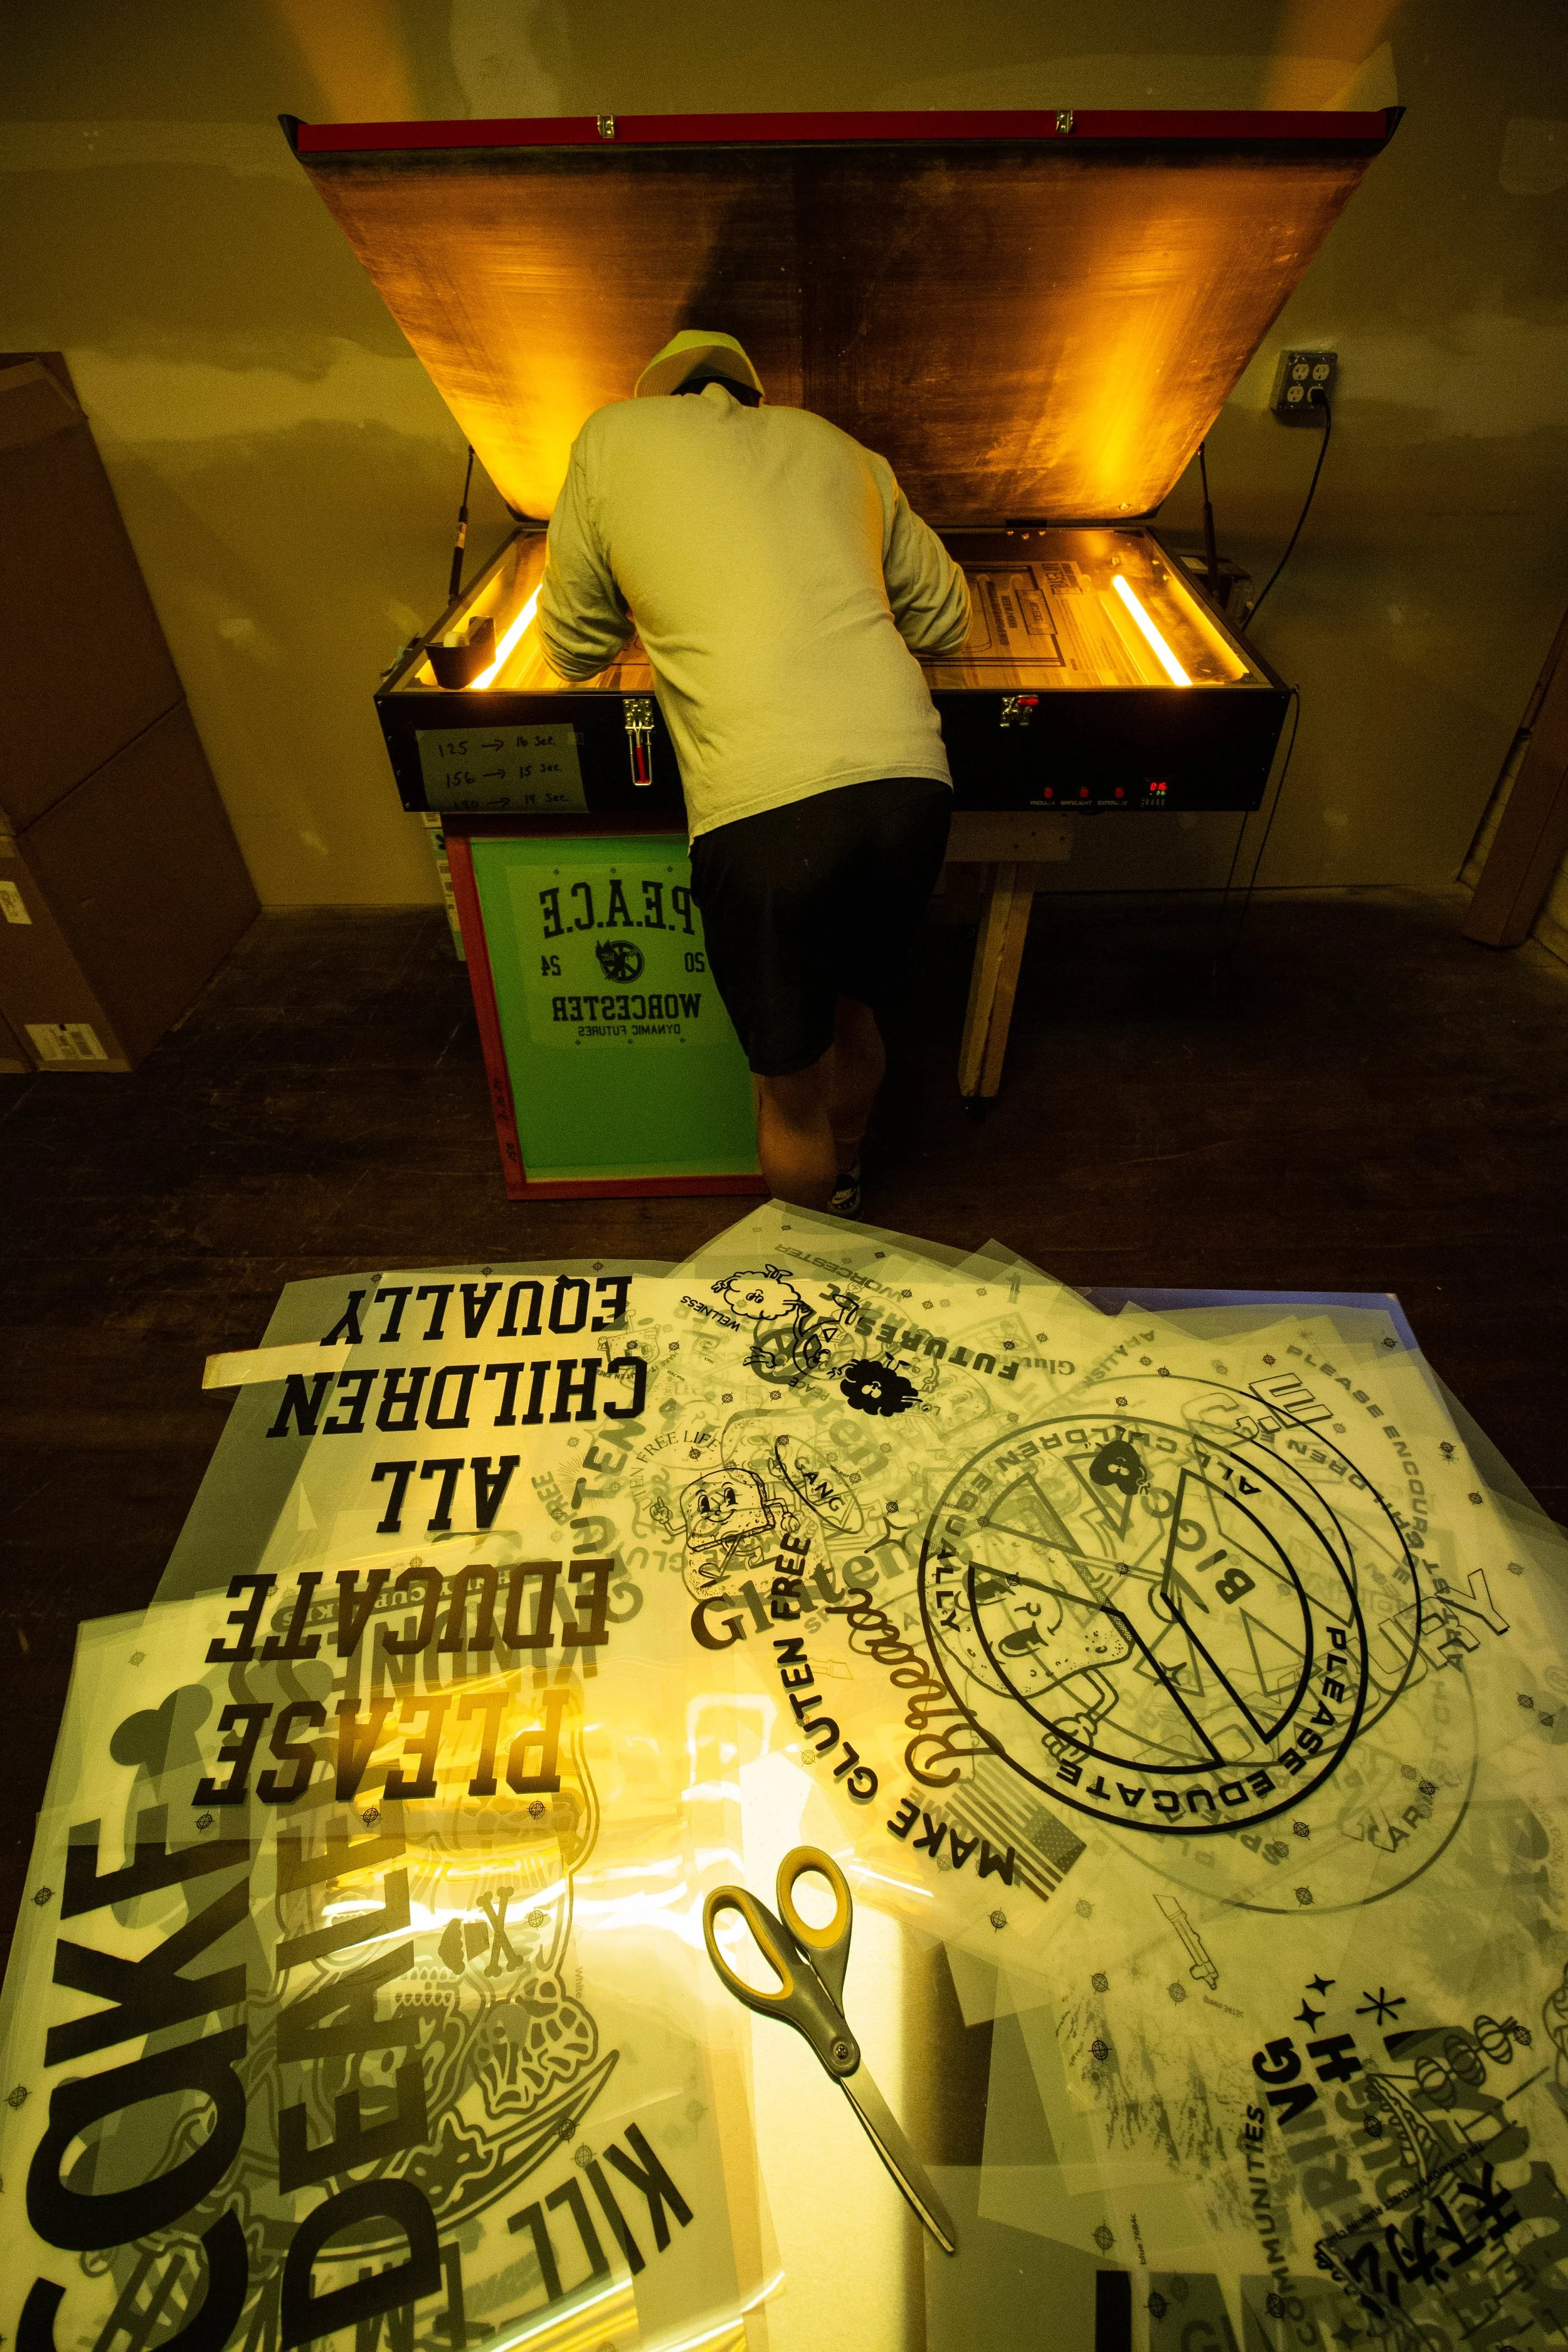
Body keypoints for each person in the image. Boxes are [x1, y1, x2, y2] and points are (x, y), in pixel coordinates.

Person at [538, 328, 971, 1213]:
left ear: (654, 396)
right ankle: (848, 1185)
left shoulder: (609, 437)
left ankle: (810, 1255)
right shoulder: (837, 444)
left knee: (789, 1088)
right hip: (910, 782)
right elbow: (946, 620)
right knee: (856, 1013)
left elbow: (573, 648)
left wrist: (651, 595)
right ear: (751, 394)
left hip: (767, 813)